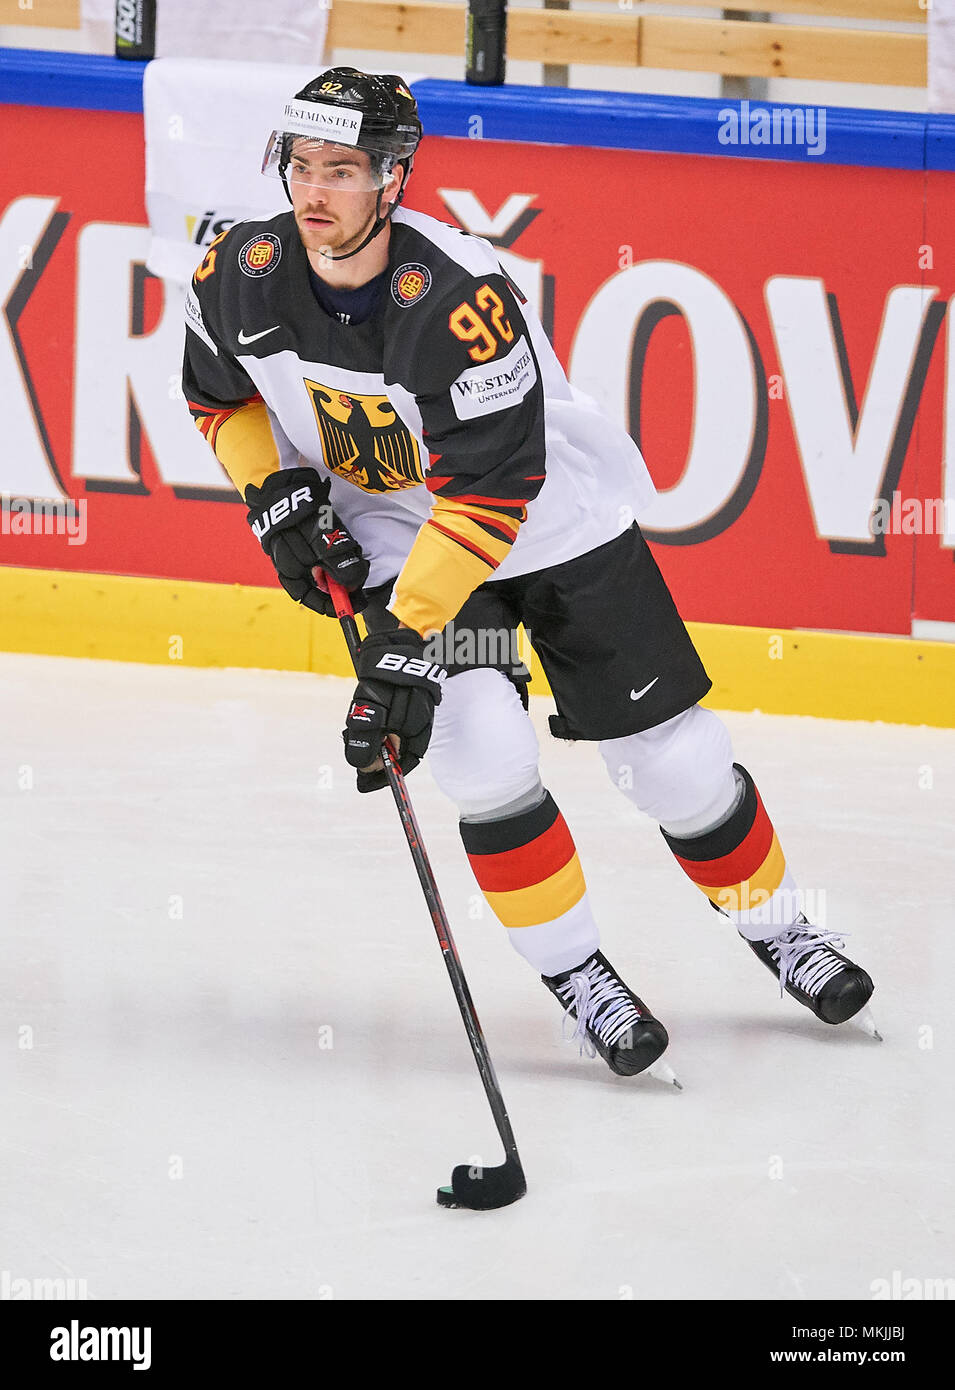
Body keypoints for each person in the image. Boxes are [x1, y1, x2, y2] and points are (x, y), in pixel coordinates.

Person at [181, 67, 876, 1078]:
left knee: (674, 760)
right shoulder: (239, 270)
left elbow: (491, 494)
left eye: (340, 169)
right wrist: (271, 493)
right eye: (299, 166)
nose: (312, 192)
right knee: (483, 756)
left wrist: (401, 643)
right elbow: (216, 394)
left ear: (393, 178)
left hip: (548, 523)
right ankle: (576, 973)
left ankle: (779, 929)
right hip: (394, 530)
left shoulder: (456, 297)